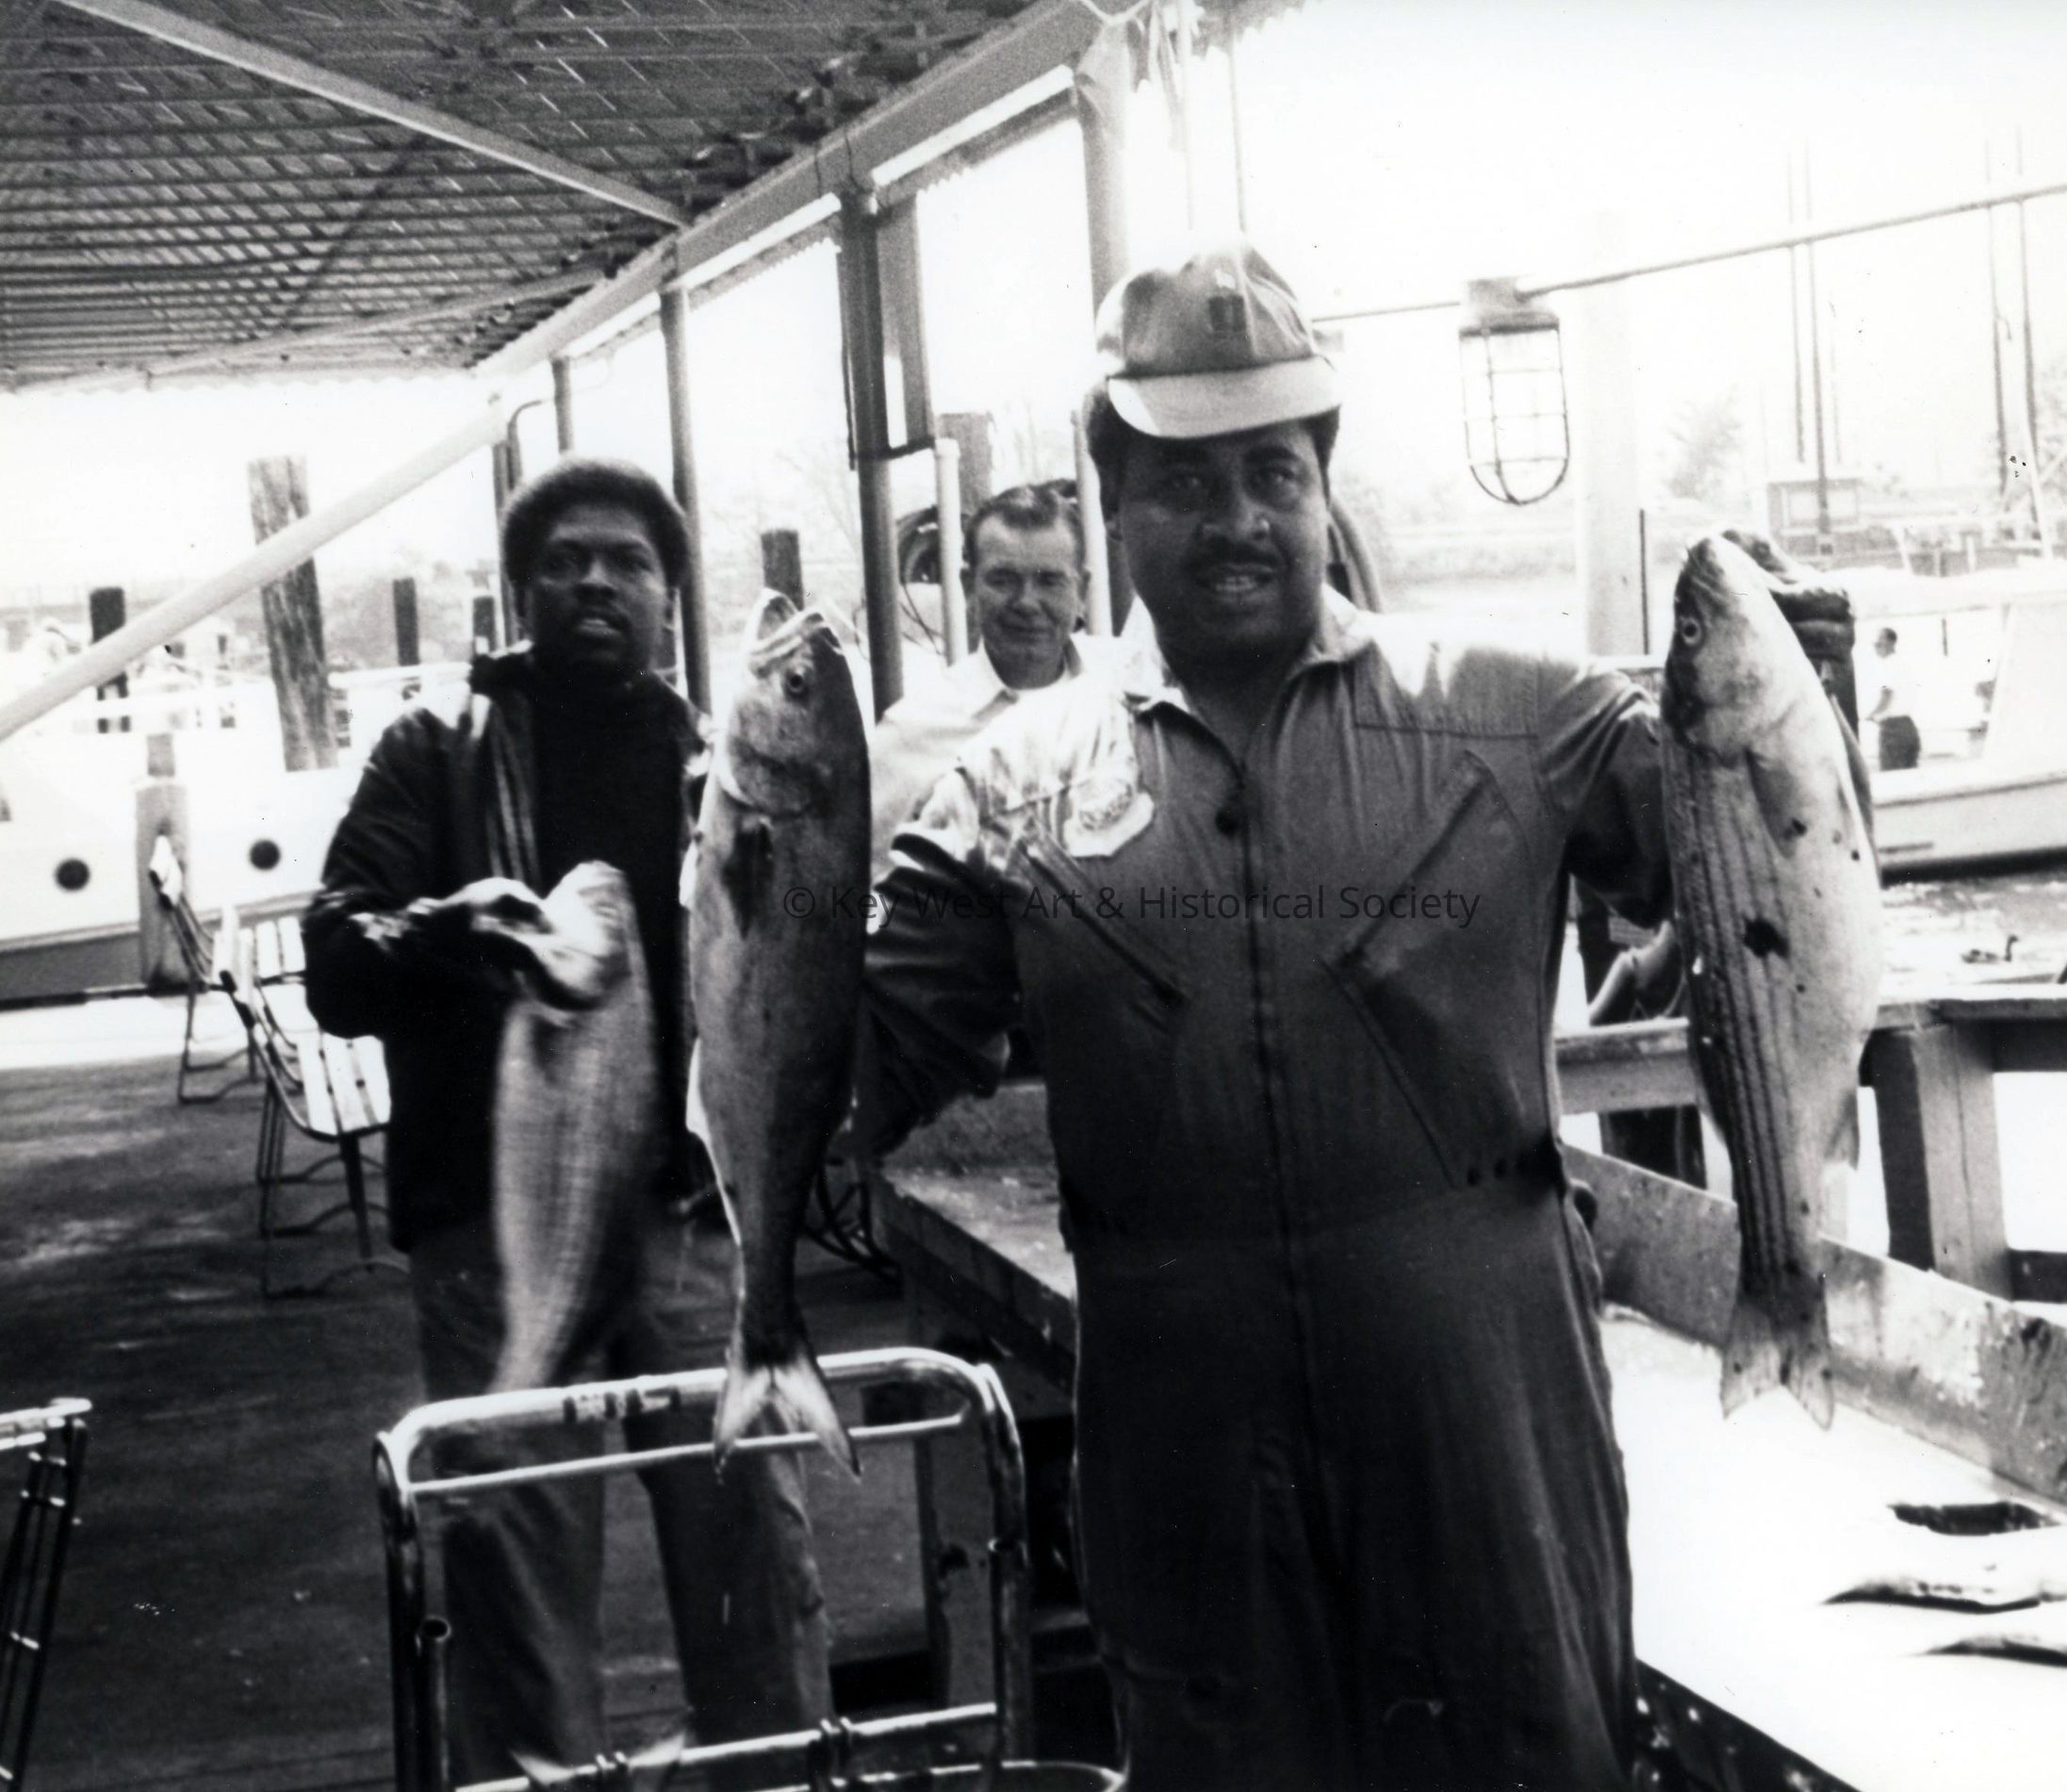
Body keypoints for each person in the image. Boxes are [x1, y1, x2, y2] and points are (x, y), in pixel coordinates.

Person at [856, 239, 1673, 1790]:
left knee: (1531, 1745)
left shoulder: (1531, 717)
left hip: (1483, 1382)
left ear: (1324, 480)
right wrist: (756, 917)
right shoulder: (1005, 791)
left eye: (1271, 473)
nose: (1234, 519)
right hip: (1179, 1388)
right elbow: (859, 1074)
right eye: (1183, 481)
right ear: (1115, 500)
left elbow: (1782, 885)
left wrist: (1800, 733)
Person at [302, 457, 830, 1782]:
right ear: (519, 588)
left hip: (693, 1232)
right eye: (564, 559)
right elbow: (335, 957)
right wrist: (448, 928)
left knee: (754, 1565)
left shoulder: (729, 770)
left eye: (629, 562)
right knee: (517, 1589)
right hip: (500, 1236)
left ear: (666, 597)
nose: (596, 579)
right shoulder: (430, 756)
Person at [868, 481, 1128, 883]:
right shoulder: (907, 735)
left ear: (1082, 590)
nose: (1026, 602)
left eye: (1049, 581)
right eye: (1004, 580)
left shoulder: (1133, 686)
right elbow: (868, 897)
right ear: (968, 586)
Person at [1863, 624, 1922, 769]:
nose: (1876, 644)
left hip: (1893, 731)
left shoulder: (1887, 665)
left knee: (1892, 778)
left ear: (1891, 642)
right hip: (1908, 727)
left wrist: (1872, 714)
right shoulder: (1902, 663)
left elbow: (1886, 694)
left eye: (1880, 639)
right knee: (1910, 777)